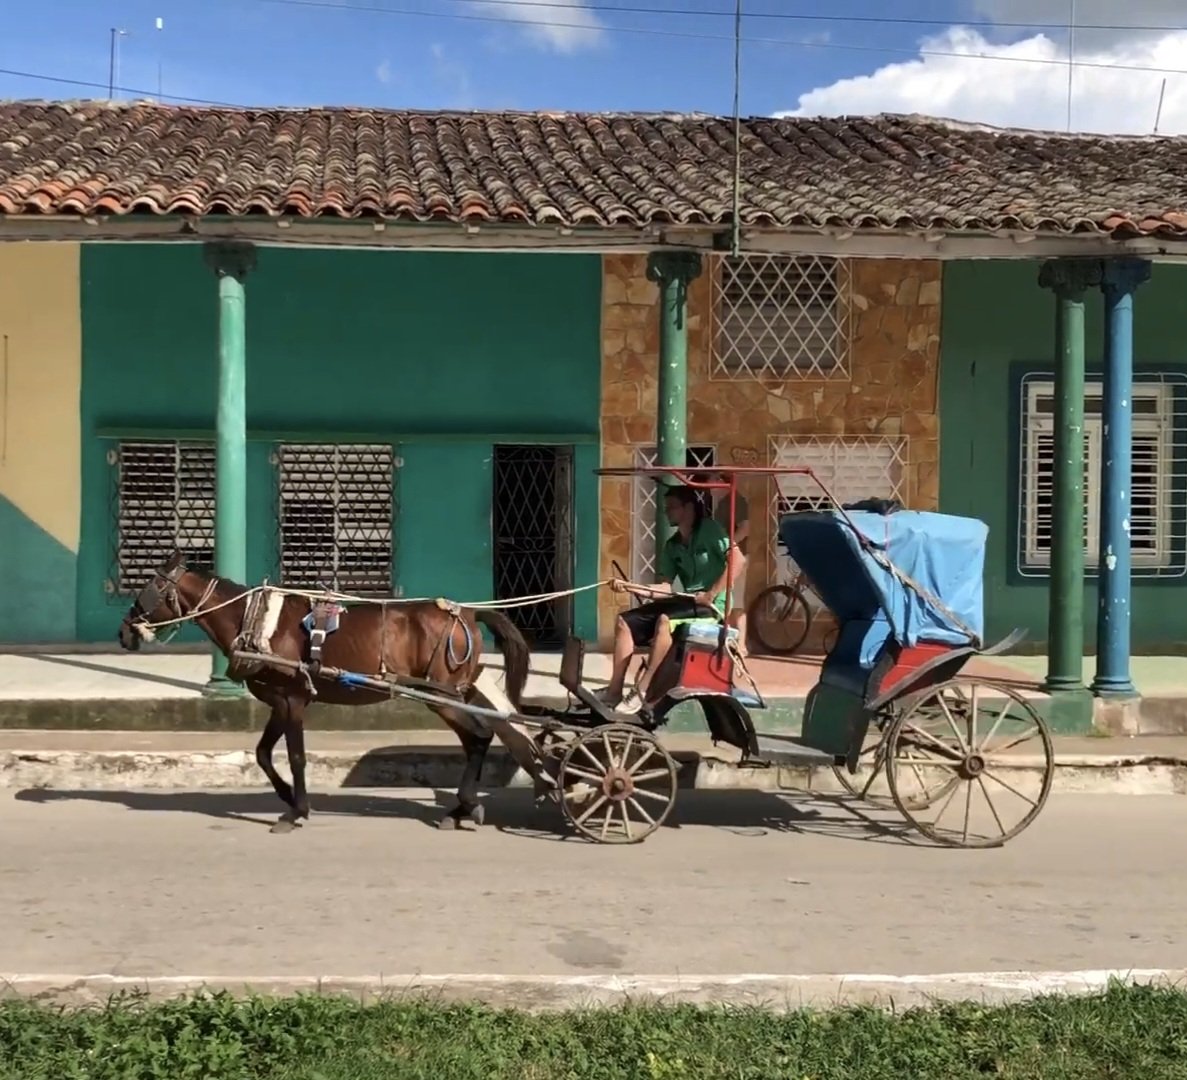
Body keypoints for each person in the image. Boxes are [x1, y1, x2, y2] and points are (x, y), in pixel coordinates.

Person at [600, 485, 743, 712]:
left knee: (665, 621)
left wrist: (711, 594)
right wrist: (631, 587)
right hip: (688, 603)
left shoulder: (710, 530)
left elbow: (738, 561)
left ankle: (643, 690)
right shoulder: (673, 545)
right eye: (666, 508)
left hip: (713, 608)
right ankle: (614, 690)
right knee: (624, 621)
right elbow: (665, 587)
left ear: (688, 508)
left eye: (671, 507)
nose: (667, 512)